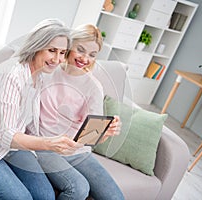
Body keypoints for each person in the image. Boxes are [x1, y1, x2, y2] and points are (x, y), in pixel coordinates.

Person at [0, 19, 83, 200]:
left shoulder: (41, 76)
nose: (57, 59)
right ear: (37, 46)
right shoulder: (11, 74)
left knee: (46, 196)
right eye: (51, 50)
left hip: (13, 148)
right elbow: (5, 135)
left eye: (62, 52)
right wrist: (48, 144)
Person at [36, 24, 125, 200]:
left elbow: (91, 137)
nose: (85, 58)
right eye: (81, 50)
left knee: (115, 198)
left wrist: (106, 132)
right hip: (44, 146)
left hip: (77, 152)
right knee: (77, 188)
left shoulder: (93, 87)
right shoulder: (48, 70)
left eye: (92, 55)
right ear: (69, 46)